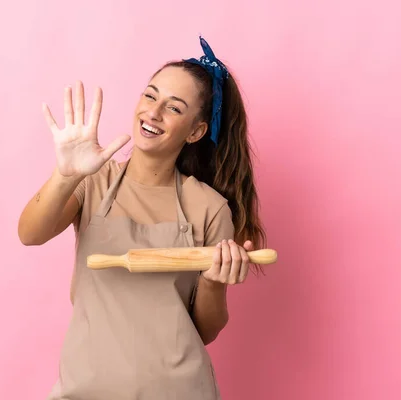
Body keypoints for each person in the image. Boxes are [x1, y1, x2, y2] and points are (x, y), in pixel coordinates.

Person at [18, 36, 266, 400]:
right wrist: (65, 174)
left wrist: (214, 280)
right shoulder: (93, 180)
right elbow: (30, 234)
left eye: (174, 107)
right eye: (150, 96)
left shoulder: (209, 208)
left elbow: (206, 329)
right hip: (86, 389)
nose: (153, 112)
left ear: (196, 131)